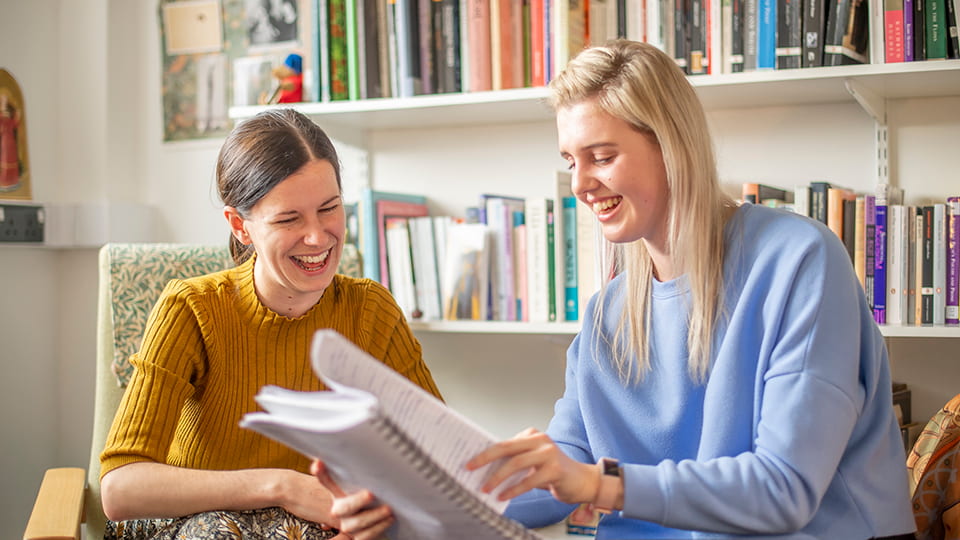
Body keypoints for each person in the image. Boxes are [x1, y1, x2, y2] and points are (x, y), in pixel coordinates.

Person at [319, 39, 917, 539]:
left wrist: (599, 484)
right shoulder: (609, 311)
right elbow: (560, 469)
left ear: (672, 147)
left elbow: (784, 489)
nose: (580, 183)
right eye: (570, 161)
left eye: (601, 156)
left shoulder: (798, 261)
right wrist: (406, 504)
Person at [99, 108, 441, 539]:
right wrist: (282, 486)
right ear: (240, 226)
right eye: (288, 219)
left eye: (329, 209)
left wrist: (374, 513)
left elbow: (436, 459)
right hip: (199, 523)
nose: (317, 237)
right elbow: (120, 487)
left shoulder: (371, 309)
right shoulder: (192, 309)